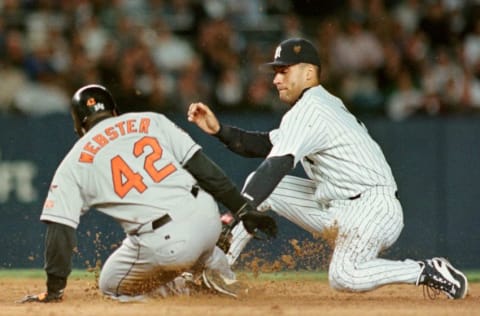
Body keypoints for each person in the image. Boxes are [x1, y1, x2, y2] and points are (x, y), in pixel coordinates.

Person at [187, 38, 468, 300]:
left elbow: (277, 164)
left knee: (344, 276)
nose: (276, 79)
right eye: (276, 71)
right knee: (267, 189)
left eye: (284, 71)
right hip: (334, 205)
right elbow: (261, 146)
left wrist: (237, 213)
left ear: (308, 73)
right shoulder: (312, 106)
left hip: (372, 207)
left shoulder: (312, 110)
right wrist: (219, 131)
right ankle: (217, 275)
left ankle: (426, 271)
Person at [19, 84, 277, 303]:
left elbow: (60, 229)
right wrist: (242, 209)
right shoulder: (151, 120)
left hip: (169, 243)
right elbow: (205, 171)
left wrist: (54, 290)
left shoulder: (74, 161)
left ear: (78, 126)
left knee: (110, 284)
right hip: (208, 217)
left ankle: (183, 290)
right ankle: (214, 266)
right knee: (185, 237)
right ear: (114, 111)